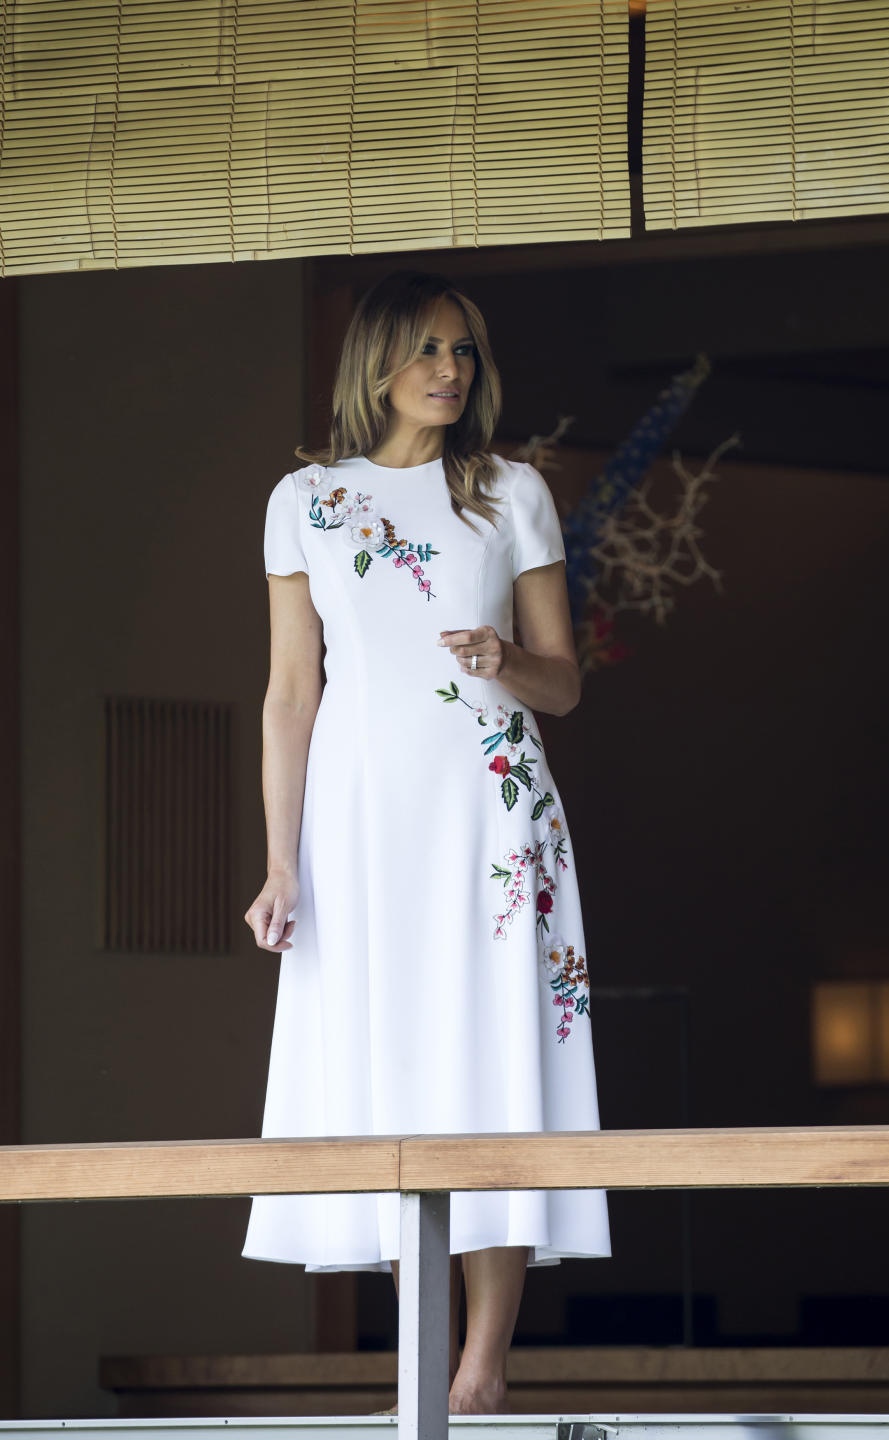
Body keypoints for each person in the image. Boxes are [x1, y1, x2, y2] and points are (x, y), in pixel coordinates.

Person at [241, 269, 610, 1415]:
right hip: (358, 825)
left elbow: (567, 686)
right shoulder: (304, 500)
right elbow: (289, 694)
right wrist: (282, 861)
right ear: (379, 363)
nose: (450, 370)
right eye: (429, 350)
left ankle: (483, 1368)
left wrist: (508, 662)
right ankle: (424, 1356)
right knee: (388, 1069)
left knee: (489, 1062)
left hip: (488, 810)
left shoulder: (511, 493)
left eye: (463, 351)